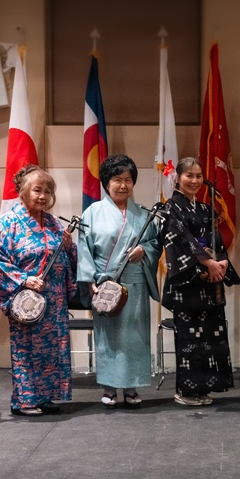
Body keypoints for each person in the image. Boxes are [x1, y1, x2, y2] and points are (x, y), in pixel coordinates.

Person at [0, 165, 78, 416]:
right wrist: (24, 280)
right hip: (27, 298)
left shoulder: (53, 223)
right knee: (26, 348)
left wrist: (70, 247)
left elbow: (69, 259)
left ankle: (46, 396)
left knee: (53, 347)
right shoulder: (8, 223)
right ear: (23, 192)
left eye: (48, 191)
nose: (43, 196)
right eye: (37, 190)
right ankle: (25, 400)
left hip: (55, 298)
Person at [77, 154, 161, 408]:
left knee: (135, 335)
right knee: (109, 337)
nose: (123, 185)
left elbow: (154, 243)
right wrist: (90, 281)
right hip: (105, 286)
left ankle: (132, 387)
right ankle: (110, 387)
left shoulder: (143, 214)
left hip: (134, 284)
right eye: (117, 179)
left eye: (128, 180)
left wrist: (144, 251)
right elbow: (84, 248)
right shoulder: (92, 213)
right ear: (106, 182)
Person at [159, 157, 236, 406]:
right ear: (177, 178)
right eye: (189, 175)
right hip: (187, 280)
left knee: (210, 335)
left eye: (198, 176)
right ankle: (186, 391)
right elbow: (178, 239)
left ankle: (204, 388)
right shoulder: (170, 208)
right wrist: (206, 263)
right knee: (190, 337)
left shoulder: (205, 209)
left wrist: (221, 262)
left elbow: (217, 241)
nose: (194, 180)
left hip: (208, 281)